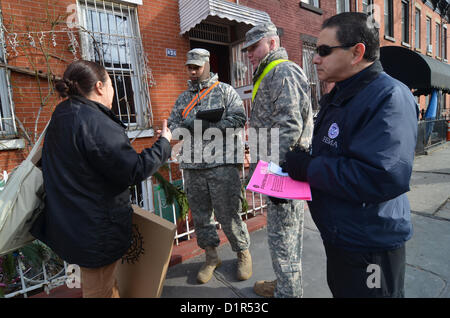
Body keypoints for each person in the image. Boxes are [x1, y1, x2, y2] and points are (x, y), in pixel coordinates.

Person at [283, 12, 419, 298]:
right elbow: (334, 158)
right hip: (342, 238)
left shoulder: (389, 96)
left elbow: (381, 177)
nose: (315, 58)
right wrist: (289, 183)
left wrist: (308, 169)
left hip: (371, 246)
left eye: (323, 51)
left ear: (357, 52)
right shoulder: (341, 94)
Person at [31, 60, 172, 298]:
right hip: (95, 232)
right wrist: (164, 143)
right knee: (99, 291)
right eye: (111, 84)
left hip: (73, 225)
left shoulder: (62, 114)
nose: (113, 91)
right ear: (99, 86)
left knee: (106, 286)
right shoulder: (95, 121)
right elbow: (133, 170)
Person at [167, 48, 252, 284]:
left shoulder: (225, 91)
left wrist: (209, 127)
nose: (193, 71)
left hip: (221, 164)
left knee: (228, 213)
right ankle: (211, 256)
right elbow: (172, 127)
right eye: (190, 67)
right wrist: (188, 125)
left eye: (197, 66)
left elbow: (238, 119)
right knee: (202, 216)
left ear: (207, 64)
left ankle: (242, 253)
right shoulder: (184, 98)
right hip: (193, 166)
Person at [242, 22, 313, 298]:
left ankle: (288, 293)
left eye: (254, 47)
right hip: (276, 174)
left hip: (282, 177)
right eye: (247, 49)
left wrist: (279, 179)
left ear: (272, 44)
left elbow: (289, 126)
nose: (249, 54)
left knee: (284, 244)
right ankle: (284, 285)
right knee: (283, 243)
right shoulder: (270, 73)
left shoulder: (281, 70)